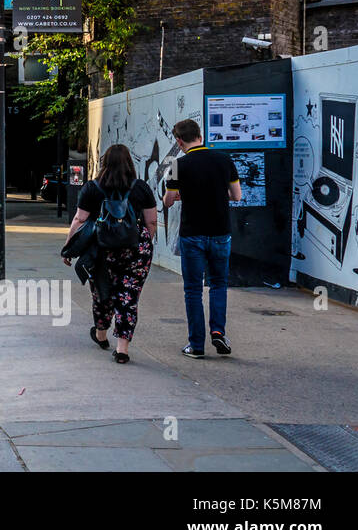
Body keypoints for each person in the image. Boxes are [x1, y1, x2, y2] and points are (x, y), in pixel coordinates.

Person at [63, 144, 159, 363]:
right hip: (136, 250)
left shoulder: (92, 188)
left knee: (102, 291)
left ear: (104, 163)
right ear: (129, 163)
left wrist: (69, 247)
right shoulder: (141, 187)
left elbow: (80, 219)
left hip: (101, 249)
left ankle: (101, 334)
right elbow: (151, 221)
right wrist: (144, 242)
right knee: (128, 296)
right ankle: (122, 349)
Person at [164, 119, 243, 359]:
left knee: (193, 290)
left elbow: (168, 200)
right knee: (218, 284)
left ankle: (196, 345)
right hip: (220, 233)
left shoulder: (178, 165)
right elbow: (237, 196)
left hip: (192, 234)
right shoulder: (224, 160)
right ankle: (218, 331)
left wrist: (182, 196)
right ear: (200, 135)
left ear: (179, 141)